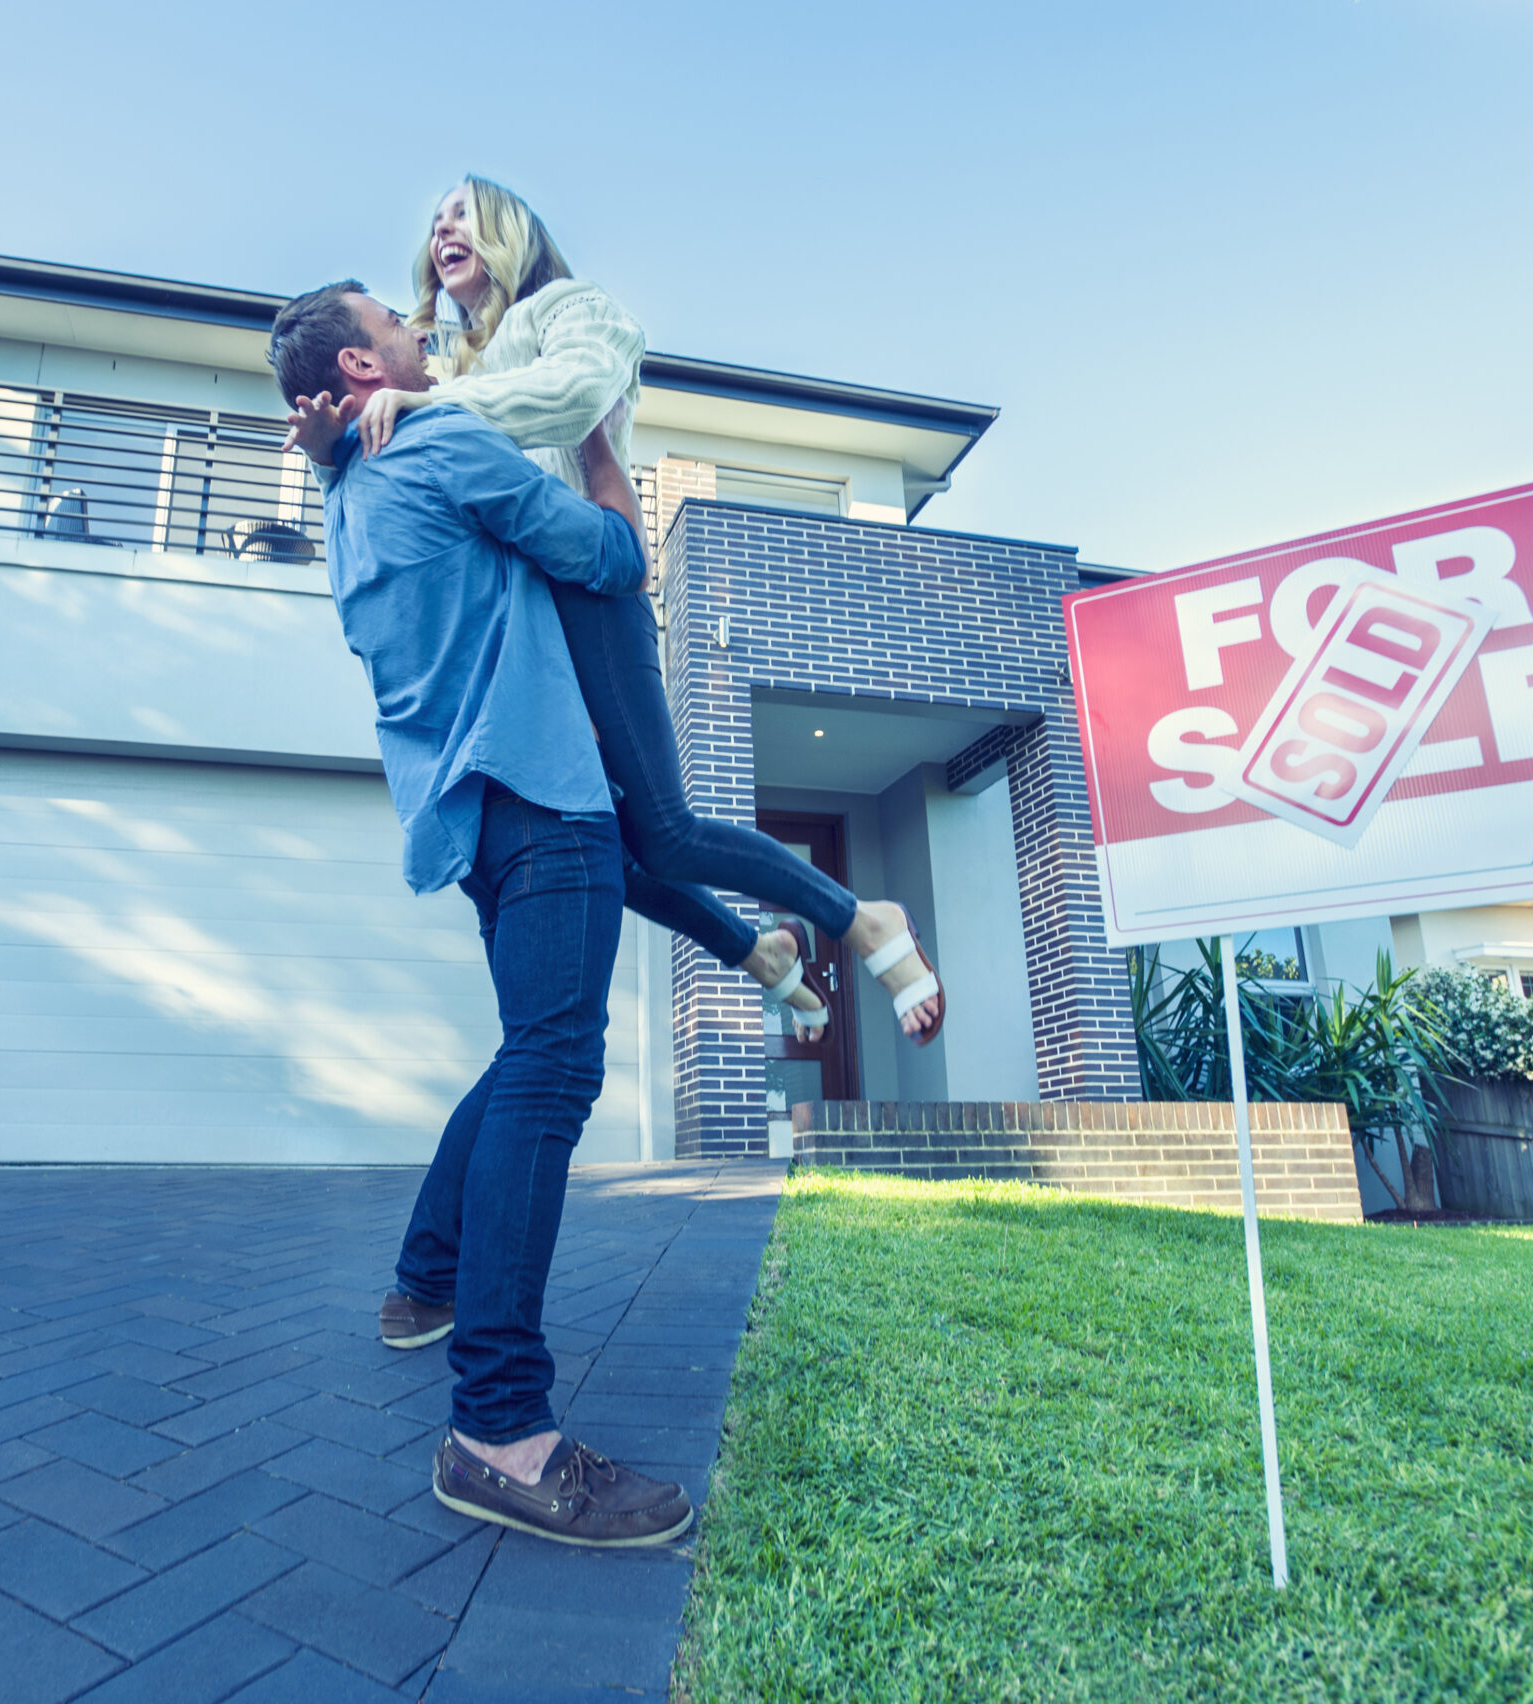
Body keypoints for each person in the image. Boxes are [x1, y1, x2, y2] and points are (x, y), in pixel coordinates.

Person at [286, 177, 946, 1053]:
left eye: (461, 214)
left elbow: (574, 391)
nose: (442, 230)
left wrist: (426, 403)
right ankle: (766, 952)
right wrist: (338, 450)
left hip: (596, 589)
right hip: (531, 622)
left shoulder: (571, 309)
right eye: (433, 222)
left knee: (663, 834)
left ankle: (858, 918)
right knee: (612, 854)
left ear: (508, 230)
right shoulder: (450, 368)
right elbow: (405, 464)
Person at [268, 280, 694, 1548]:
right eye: (395, 327)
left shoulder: (348, 502)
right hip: (549, 798)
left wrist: (333, 446)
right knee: (552, 1074)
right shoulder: (440, 436)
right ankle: (499, 1432)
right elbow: (610, 557)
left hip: (474, 827)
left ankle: (422, 1284)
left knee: (523, 1058)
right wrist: (605, 442)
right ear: (362, 360)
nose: (420, 332)